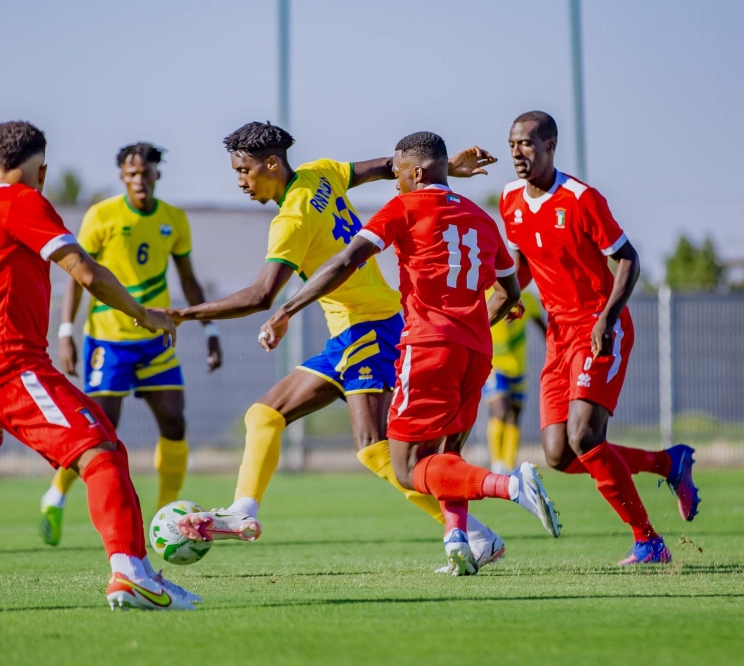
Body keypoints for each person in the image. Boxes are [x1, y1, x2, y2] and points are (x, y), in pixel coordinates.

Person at [156, 121, 509, 571]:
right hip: (354, 329)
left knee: (372, 447)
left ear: (270, 164)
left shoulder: (291, 219)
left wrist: (184, 314)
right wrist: (445, 169)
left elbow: (262, 295)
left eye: (244, 170)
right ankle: (243, 511)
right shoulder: (321, 173)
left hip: (370, 326)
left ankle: (475, 532)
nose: (240, 181)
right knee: (265, 414)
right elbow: (388, 165)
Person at [245, 131, 561, 575]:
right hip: (476, 351)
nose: (394, 181)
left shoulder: (405, 207)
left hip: (428, 345)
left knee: (409, 467)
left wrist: (288, 310)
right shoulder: (482, 218)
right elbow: (510, 292)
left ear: (416, 172)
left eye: (399, 172)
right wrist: (472, 323)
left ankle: (510, 486)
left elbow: (342, 262)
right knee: (445, 457)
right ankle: (460, 541)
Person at [0, 120, 196, 611]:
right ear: (41, 173)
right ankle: (127, 573)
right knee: (99, 451)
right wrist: (143, 314)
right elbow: (84, 271)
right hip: (12, 365)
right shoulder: (22, 201)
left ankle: (141, 572)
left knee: (110, 447)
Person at [500, 110, 700, 565]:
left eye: (527, 144)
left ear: (551, 146)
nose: (517, 153)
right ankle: (668, 463)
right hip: (557, 334)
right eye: (512, 144)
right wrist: (511, 296)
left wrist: (607, 318)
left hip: (598, 327)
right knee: (559, 454)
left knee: (586, 437)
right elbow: (524, 260)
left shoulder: (582, 199)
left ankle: (648, 540)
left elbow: (628, 259)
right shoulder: (510, 199)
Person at [38, 142, 223, 547]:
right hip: (109, 340)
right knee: (99, 432)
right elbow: (76, 275)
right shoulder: (101, 215)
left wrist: (210, 328)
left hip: (155, 339)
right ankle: (55, 494)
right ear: (122, 175)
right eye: (132, 172)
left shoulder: (173, 220)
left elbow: (189, 279)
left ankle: (168, 520)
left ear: (157, 174)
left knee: (174, 421)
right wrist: (66, 331)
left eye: (147, 172)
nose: (140, 179)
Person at [484, 285, 545, 474]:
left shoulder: (527, 297)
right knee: (501, 411)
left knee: (514, 415)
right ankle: (496, 464)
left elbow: (542, 327)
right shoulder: (485, 294)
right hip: (494, 365)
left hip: (518, 366)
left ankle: (508, 467)